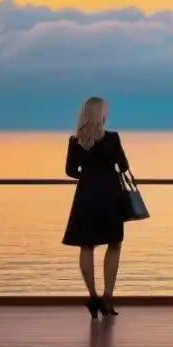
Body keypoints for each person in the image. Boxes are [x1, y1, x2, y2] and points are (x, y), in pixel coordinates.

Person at [62, 96, 130, 319]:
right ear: (102, 114)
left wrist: (88, 175)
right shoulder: (111, 138)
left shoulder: (76, 140)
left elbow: (71, 171)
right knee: (114, 245)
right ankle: (108, 296)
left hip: (86, 196)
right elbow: (124, 166)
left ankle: (93, 297)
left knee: (86, 247)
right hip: (110, 196)